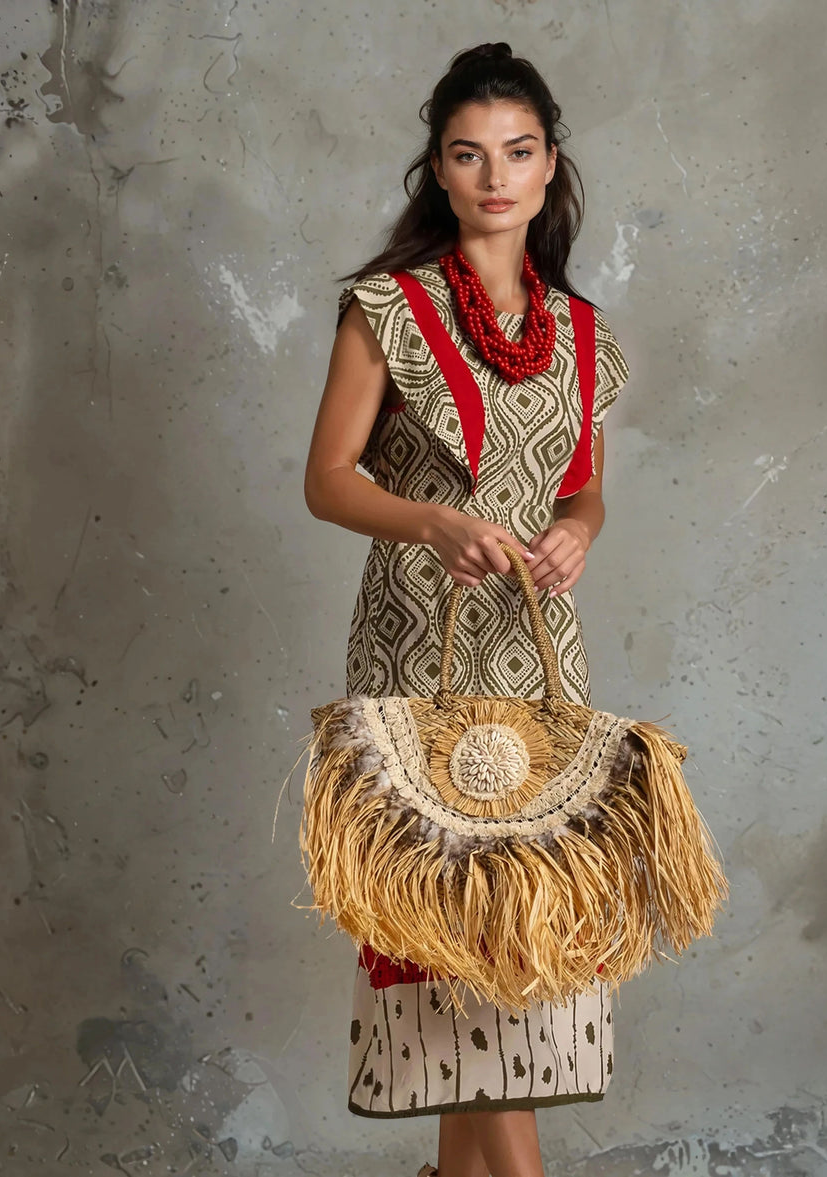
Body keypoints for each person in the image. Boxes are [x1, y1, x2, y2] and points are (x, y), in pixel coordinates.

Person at [303, 42, 629, 1177]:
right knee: (455, 939)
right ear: (437, 170)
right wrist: (432, 522)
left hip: (539, 658)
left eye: (518, 151)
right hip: (416, 649)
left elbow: (583, 487)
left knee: (515, 940)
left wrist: (579, 530)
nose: (496, 175)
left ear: (550, 167)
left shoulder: (581, 332)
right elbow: (327, 481)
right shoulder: (387, 310)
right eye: (468, 153)